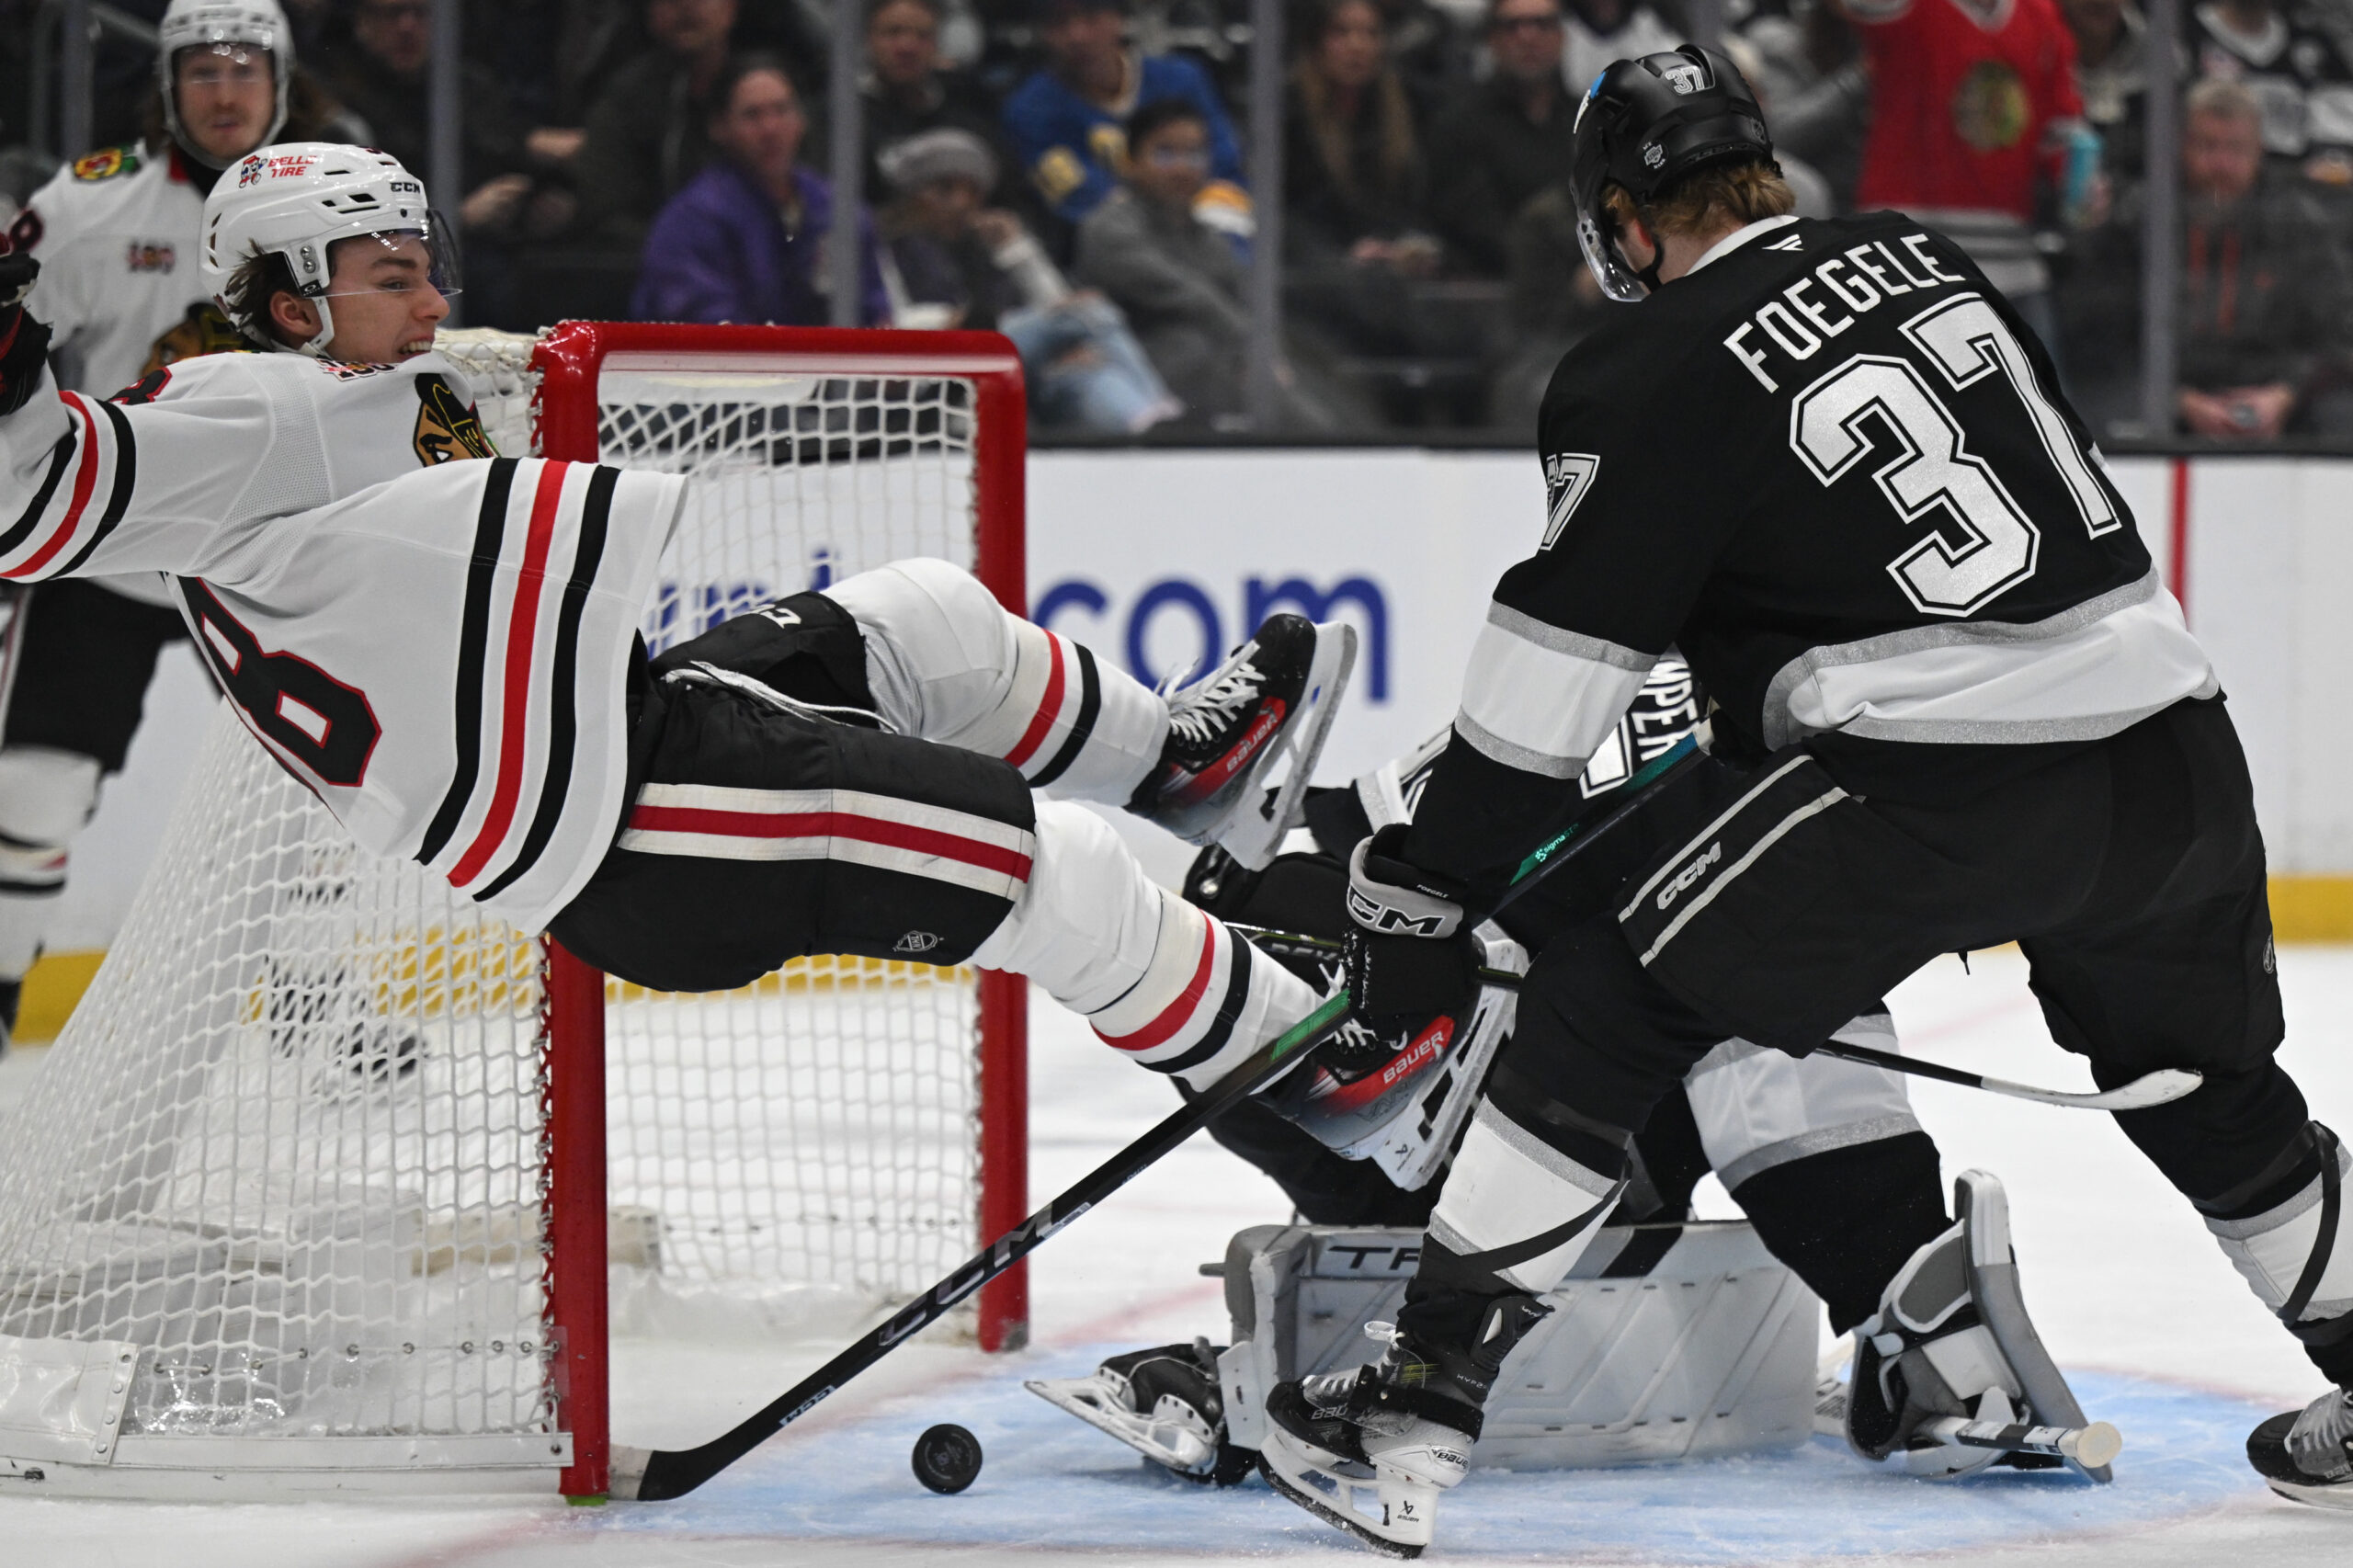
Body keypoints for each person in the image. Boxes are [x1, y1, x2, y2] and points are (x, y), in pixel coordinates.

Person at [1252, 48, 2353, 1551]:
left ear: (1628, 220)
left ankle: (1416, 1395)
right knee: (2213, 1101)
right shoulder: (1920, 251)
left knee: (1611, 998)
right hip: (2172, 741)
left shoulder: (1643, 368)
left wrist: (1430, 876)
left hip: (1931, 780)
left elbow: (1554, 675)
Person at [0, 142, 1358, 1148]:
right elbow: (36, 503)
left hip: (644, 735)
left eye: (431, 272)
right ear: (293, 304)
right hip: (642, 833)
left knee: (927, 616)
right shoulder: (254, 407)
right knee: (1055, 867)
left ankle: (1188, 766)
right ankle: (1314, 1066)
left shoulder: (350, 394)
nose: (430, 304)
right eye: (393, 277)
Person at [1040, 683, 2093, 1494]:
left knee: (1736, 973)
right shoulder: (1780, 710)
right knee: (1755, 971)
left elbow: (1322, 841)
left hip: (1505, 1118)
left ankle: (1389, 1311)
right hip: (1523, 1114)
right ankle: (1912, 1314)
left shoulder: (1609, 673)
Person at [0, 0, 334, 1054]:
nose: (226, 91)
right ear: (168, 86)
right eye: (203, 70)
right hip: (105, 548)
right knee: (35, 785)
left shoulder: (340, 195)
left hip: (263, 554)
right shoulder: (93, 208)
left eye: (245, 67)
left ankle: (321, 1001)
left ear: (281, 81)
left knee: (317, 780)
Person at [2063, 78, 2353, 437]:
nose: (2221, 164)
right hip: (2162, 393)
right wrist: (2176, 400)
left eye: (2236, 149)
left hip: (2274, 396)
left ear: (2259, 150)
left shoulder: (2299, 222)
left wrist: (2284, 394)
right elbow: (2096, 335)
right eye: (2207, 146)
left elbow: (2338, 336)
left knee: (2340, 413)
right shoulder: (2138, 219)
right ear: (2181, 146)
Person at [1836, 0, 2098, 357]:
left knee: (2043, 409)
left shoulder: (2041, 16)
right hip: (1901, 261)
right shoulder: (1910, 8)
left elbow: (2062, 131)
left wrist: (2083, 183)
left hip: (2013, 264)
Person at [878, 128, 1179, 431]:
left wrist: (1018, 251)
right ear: (913, 193)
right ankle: (1167, 409)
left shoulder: (988, 247)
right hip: (941, 359)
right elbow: (888, 322)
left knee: (1090, 372)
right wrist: (951, 320)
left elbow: (1054, 302)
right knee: (1089, 313)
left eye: (973, 192)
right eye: (944, 189)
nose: (960, 202)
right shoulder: (886, 246)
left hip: (1016, 366)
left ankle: (1154, 429)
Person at [631, 56, 890, 326]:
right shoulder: (692, 221)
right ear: (719, 127)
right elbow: (702, 324)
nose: (770, 129)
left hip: (828, 364)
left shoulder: (836, 207)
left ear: (802, 120)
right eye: (752, 115)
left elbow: (872, 311)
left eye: (782, 110)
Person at [1073, 99, 1268, 429]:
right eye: (1164, 154)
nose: (1181, 168)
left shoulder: (1211, 241)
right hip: (1127, 373)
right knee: (1194, 348)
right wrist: (1253, 346)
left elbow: (1242, 304)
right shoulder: (1108, 229)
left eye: (1194, 155)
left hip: (1208, 370)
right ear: (1130, 163)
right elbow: (1185, 295)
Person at [1000, 0, 1245, 229]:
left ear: (1118, 17)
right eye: (1058, 22)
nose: (1077, 36)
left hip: (1208, 230)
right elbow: (1081, 198)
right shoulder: (1031, 110)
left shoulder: (1182, 80)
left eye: (1091, 16)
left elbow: (1223, 164)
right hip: (1109, 252)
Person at [572, 0, 748, 252]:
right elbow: (604, 212)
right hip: (654, 268)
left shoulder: (768, 97)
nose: (686, 6)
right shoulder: (625, 99)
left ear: (731, 8)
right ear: (649, 12)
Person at [1426, 0, 1583, 277]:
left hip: (1590, 288)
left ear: (1562, 36)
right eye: (1512, 26)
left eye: (1541, 24)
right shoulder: (1458, 125)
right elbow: (1475, 230)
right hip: (1490, 290)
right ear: (1491, 40)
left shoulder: (1590, 121)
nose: (1527, 37)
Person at [861, 0, 1026, 214]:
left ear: (937, 44)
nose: (907, 46)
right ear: (868, 40)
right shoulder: (841, 117)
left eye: (922, 35)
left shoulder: (969, 103)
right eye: (893, 33)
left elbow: (1013, 198)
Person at [2186, 0, 2353, 183]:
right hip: (2210, 184)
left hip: (2295, 191)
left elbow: (2343, 129)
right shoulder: (2184, 34)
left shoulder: (2312, 45)